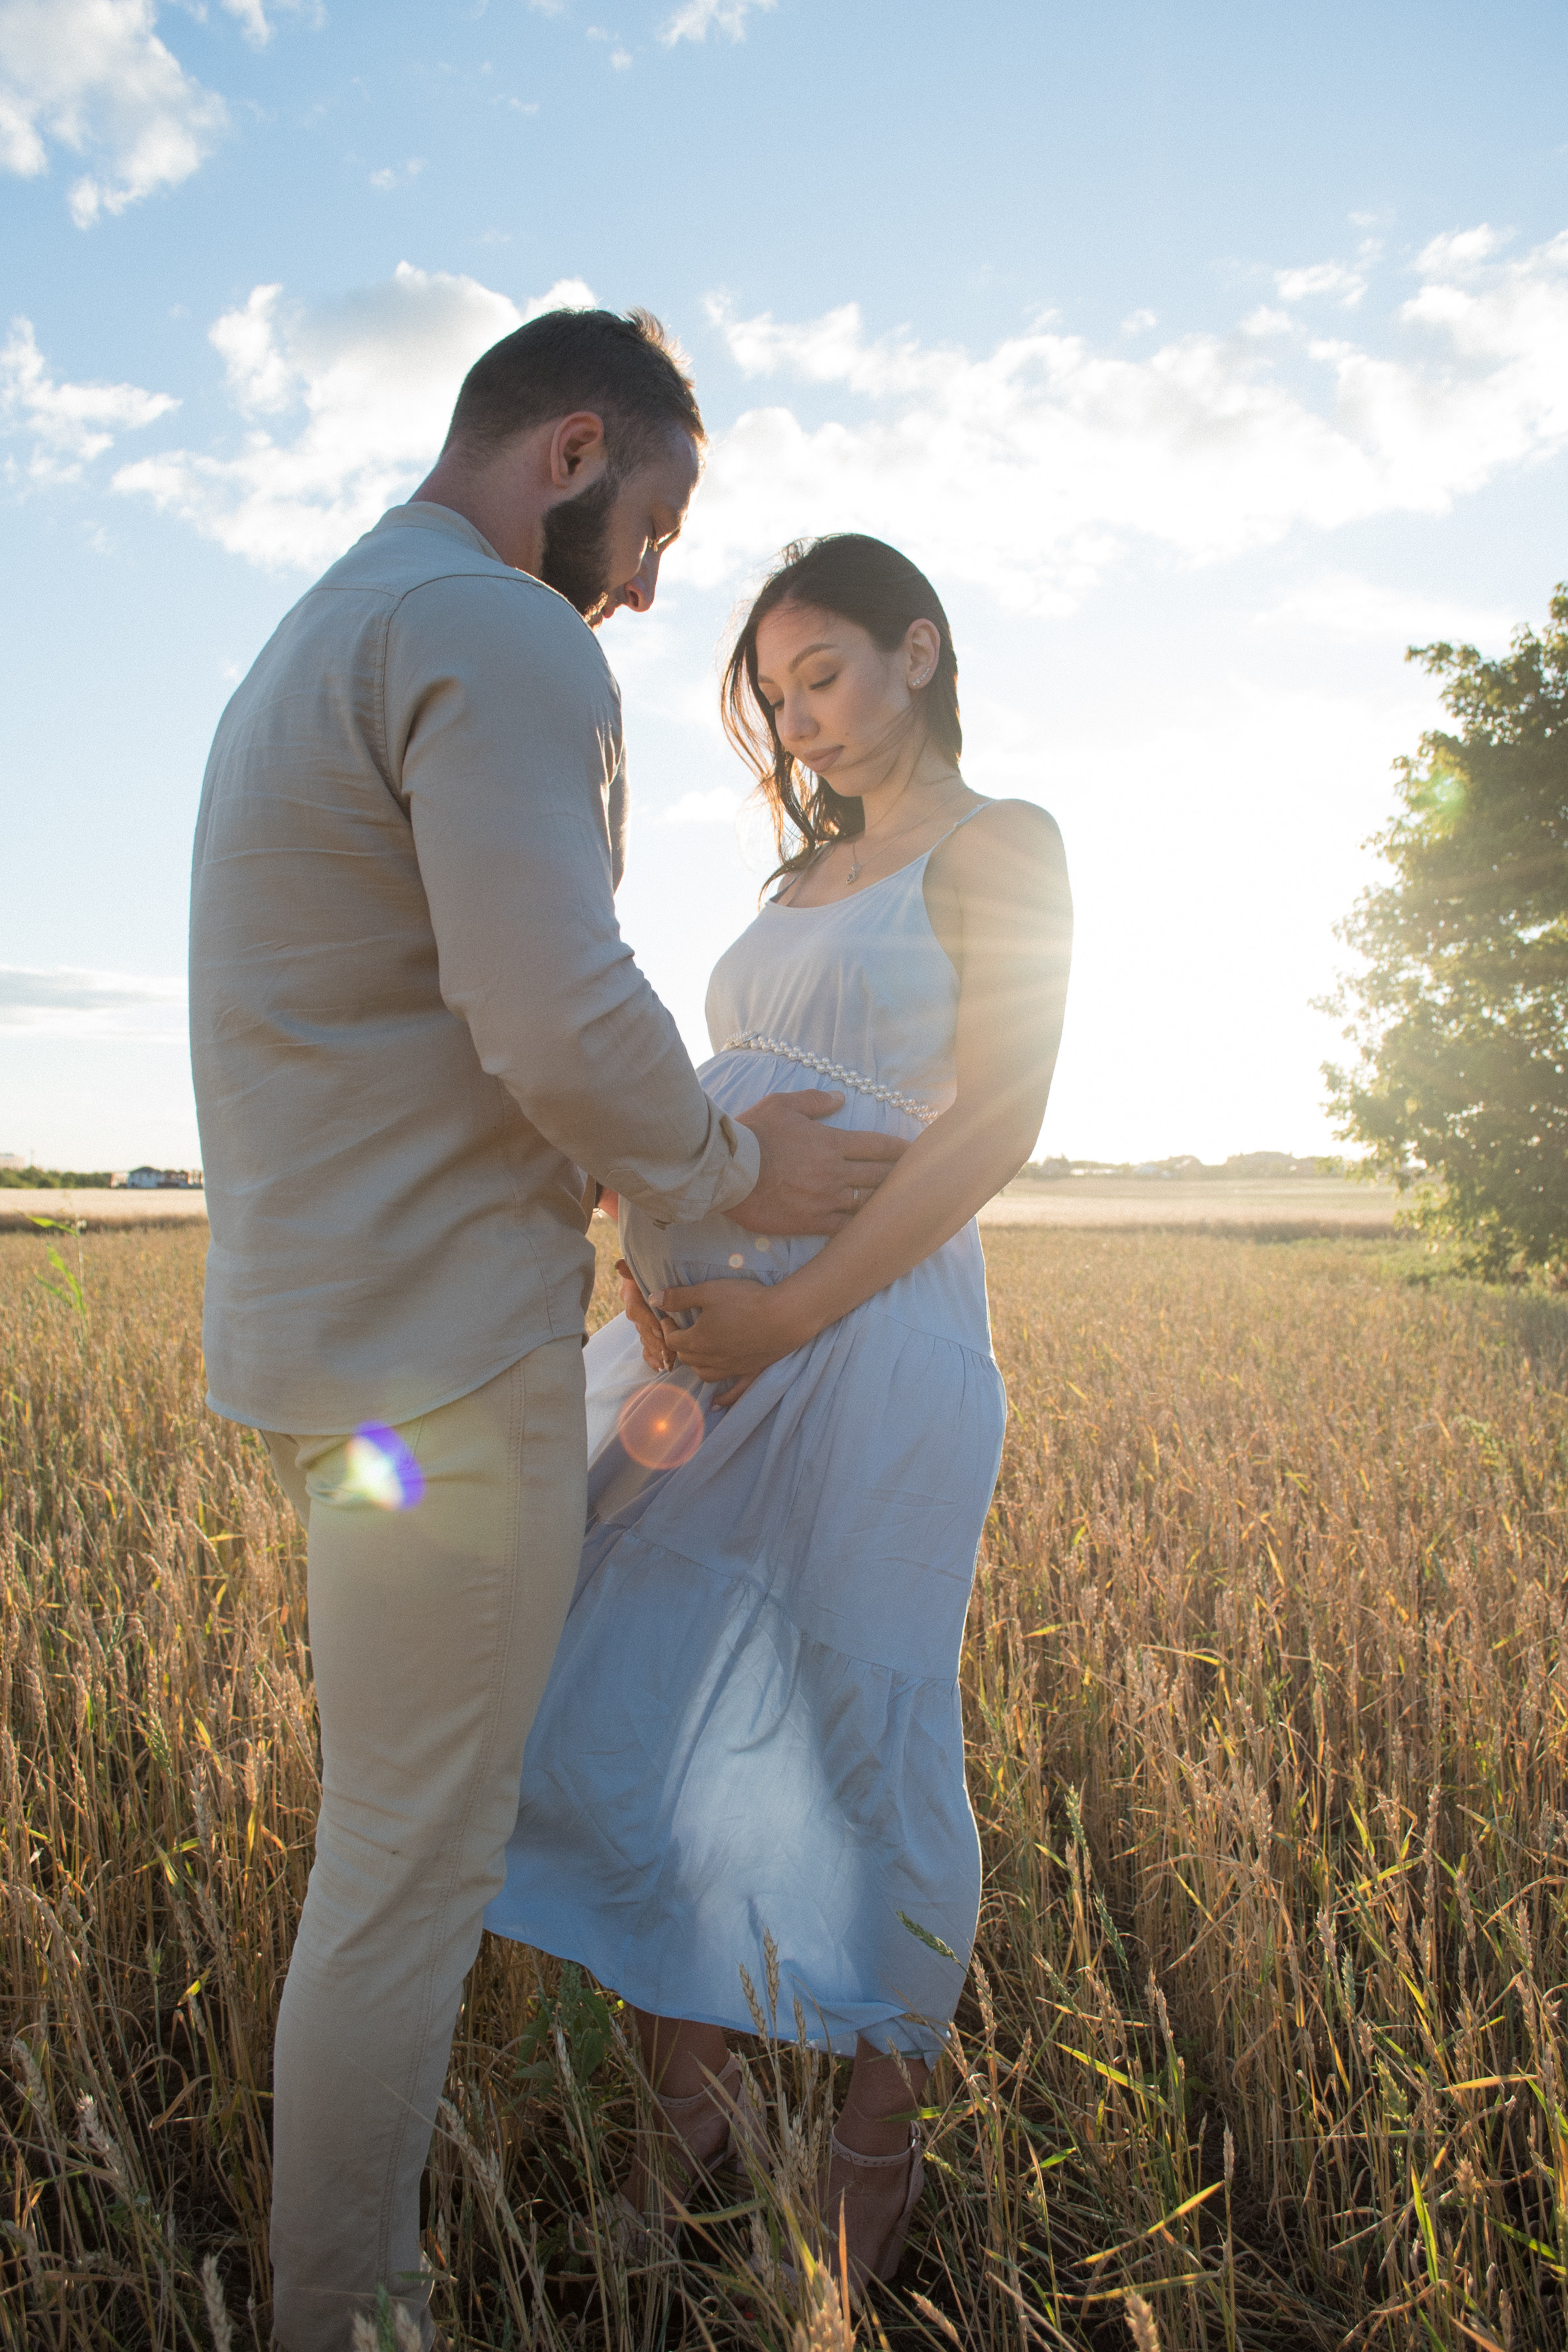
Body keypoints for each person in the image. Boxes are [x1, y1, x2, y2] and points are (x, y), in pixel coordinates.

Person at [188, 314, 909, 2352]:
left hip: (340, 1345)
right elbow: (552, 1006)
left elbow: (407, 1017)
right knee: (409, 1870)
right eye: (658, 519)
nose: (656, 579)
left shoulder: (330, 621)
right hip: (437, 1355)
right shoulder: (502, 637)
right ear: (574, 446)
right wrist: (717, 1174)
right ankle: (355, 2317)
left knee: (387, 1849)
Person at [486, 532, 1073, 2300]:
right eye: (773, 694)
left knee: (859, 1726)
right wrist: (668, 1281)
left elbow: (1002, 1116)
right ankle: (691, 2139)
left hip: (867, 1341)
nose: (799, 719)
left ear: (918, 649)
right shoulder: (797, 872)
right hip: (706, 1347)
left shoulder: (999, 844)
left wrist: (792, 1310)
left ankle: (869, 2153)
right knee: (646, 1711)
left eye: (823, 674)